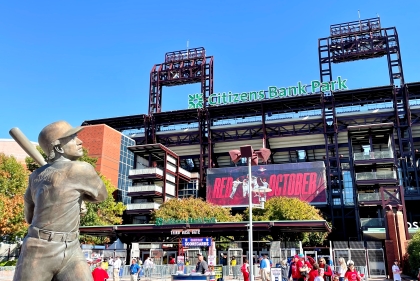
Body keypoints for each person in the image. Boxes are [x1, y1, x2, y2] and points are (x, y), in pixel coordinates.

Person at [12, 121, 108, 281]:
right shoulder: (81, 169)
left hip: (66, 248)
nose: (80, 141)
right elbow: (100, 196)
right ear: (58, 147)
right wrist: (81, 197)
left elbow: (29, 217)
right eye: (72, 138)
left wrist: (74, 197)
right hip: (41, 251)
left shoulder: (35, 176)